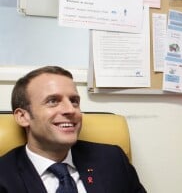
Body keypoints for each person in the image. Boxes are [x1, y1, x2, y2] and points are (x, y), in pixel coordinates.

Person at [0, 66, 146, 193]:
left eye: (74, 101)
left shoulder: (112, 159)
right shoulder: (4, 176)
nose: (71, 110)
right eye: (52, 101)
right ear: (22, 117)